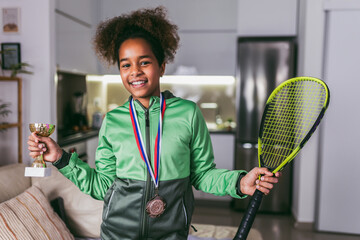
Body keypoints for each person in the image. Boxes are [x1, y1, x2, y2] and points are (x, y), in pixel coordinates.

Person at [27, 6, 280, 240]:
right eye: (126, 65)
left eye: (144, 62)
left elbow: (202, 175)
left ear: (162, 66)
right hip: (117, 234)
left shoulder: (188, 113)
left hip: (170, 234)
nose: (134, 71)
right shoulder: (113, 121)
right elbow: (101, 186)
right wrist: (61, 157)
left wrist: (239, 182)